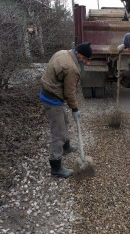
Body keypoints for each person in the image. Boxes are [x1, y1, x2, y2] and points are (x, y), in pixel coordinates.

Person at [39, 43, 92, 178]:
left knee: (65, 120)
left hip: (48, 92)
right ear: (79, 53)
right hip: (52, 99)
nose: (85, 62)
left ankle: (66, 147)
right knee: (58, 133)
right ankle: (56, 167)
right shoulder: (72, 68)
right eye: (85, 59)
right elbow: (70, 92)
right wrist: (75, 108)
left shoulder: (63, 52)